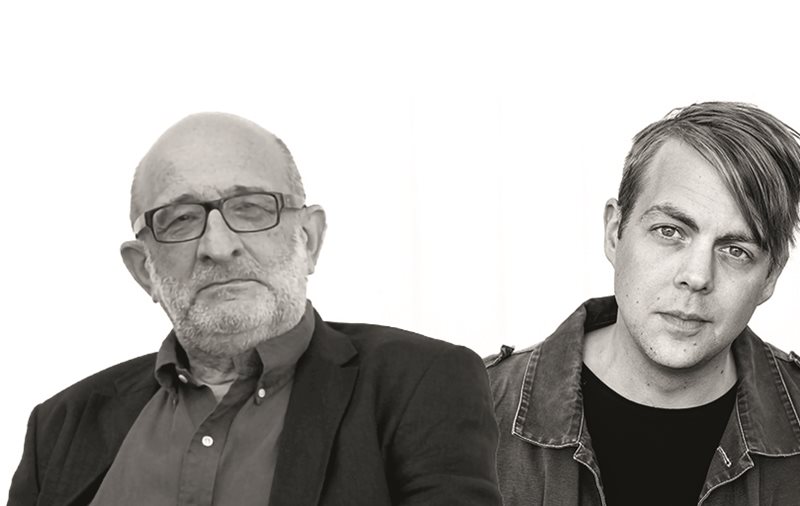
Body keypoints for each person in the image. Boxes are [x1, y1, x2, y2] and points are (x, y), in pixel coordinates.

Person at [8, 113, 501, 506]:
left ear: (309, 239)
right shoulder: (60, 426)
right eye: (181, 220)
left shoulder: (419, 383)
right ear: (144, 270)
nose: (218, 246)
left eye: (250, 208)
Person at [486, 102, 800, 505]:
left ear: (770, 277)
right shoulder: (482, 406)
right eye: (670, 231)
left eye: (735, 251)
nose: (697, 277)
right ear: (614, 232)